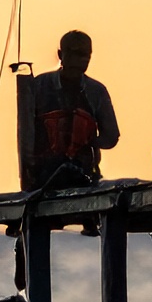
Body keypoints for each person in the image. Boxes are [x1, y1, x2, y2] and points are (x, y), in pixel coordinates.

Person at [27, 29, 119, 191]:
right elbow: (25, 133)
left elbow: (111, 136)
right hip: (43, 177)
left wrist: (86, 139)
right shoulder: (39, 86)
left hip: (83, 174)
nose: (78, 60)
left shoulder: (96, 91)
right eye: (74, 53)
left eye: (84, 54)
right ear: (60, 54)